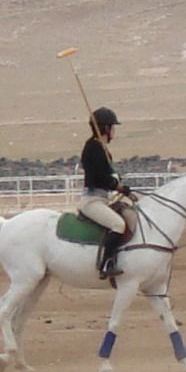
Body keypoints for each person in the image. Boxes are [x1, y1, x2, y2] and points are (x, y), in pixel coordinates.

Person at [78, 107, 135, 279]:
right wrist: (118, 187)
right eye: (112, 127)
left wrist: (118, 185)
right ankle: (106, 263)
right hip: (92, 200)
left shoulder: (101, 149)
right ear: (105, 128)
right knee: (118, 225)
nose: (114, 131)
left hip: (102, 198)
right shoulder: (93, 149)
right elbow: (99, 178)